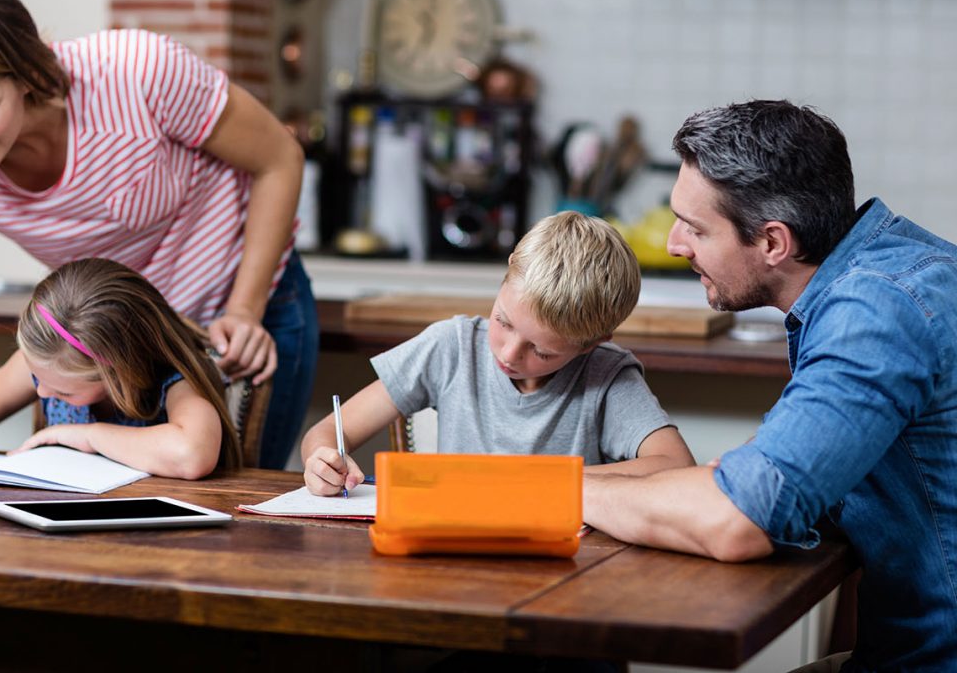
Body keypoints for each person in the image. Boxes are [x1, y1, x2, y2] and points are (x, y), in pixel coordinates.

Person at [0, 0, 316, 468]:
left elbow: (279, 159)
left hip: (238, 313)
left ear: (27, 73)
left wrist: (244, 309)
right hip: (106, 346)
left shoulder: (138, 73)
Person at [582, 100, 957, 672]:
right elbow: (772, 484)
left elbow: (739, 521)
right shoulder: (900, 268)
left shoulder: (875, 313)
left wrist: (549, 489)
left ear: (774, 243)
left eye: (697, 228)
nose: (677, 244)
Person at [301, 211, 694, 496]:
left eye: (541, 350)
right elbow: (327, 432)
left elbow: (675, 465)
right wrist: (322, 460)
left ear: (594, 343)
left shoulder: (606, 376)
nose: (508, 353)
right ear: (507, 274)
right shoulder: (451, 347)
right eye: (503, 321)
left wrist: (540, 480)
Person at [0, 258, 242, 478]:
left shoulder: (174, 382)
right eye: (37, 379)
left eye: (62, 391)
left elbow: (191, 454)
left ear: (119, 373)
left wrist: (89, 436)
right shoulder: (47, 365)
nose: (41, 391)